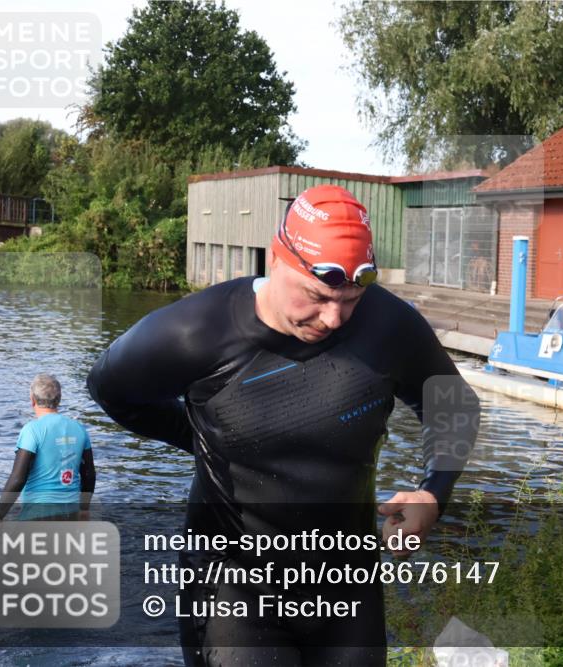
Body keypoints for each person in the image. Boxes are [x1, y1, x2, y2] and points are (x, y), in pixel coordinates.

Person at [87, 184, 479, 666]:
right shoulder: (194, 331)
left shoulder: (388, 325)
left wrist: (432, 493)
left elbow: (453, 402)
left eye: (352, 299)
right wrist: (199, 436)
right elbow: (110, 388)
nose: (335, 318)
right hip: (233, 588)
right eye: (317, 296)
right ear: (278, 258)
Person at [0, 373, 95, 524]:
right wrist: (84, 509)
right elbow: (88, 474)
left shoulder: (32, 430)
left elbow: (18, 478)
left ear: (32, 400)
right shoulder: (79, 429)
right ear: (58, 399)